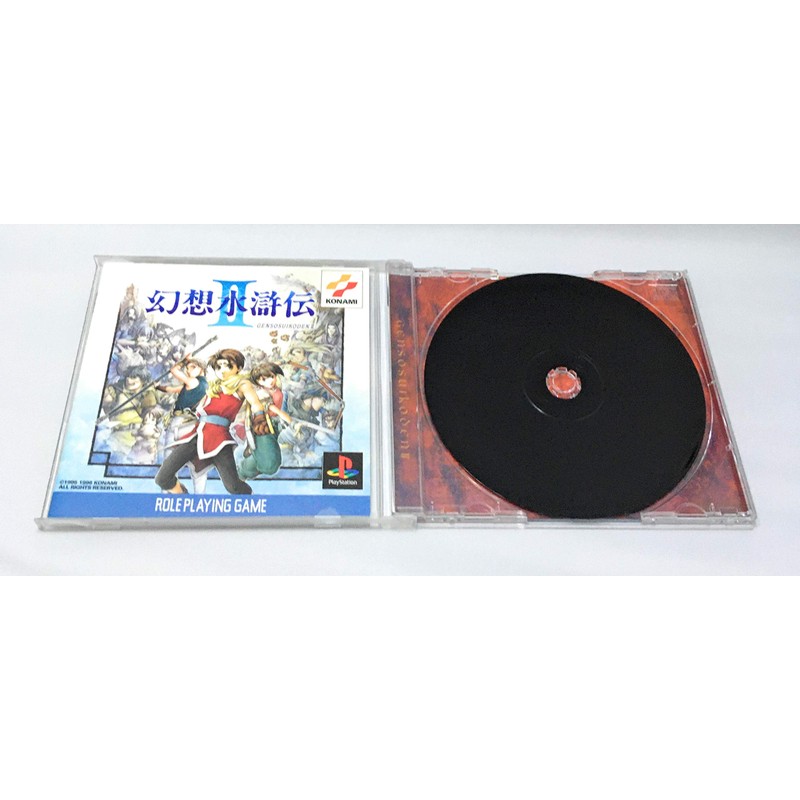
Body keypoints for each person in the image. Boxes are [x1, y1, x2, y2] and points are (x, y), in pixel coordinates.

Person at [154, 349, 268, 495]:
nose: (222, 370)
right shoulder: (213, 386)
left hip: (220, 440)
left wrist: (259, 417)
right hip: (198, 436)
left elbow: (255, 403)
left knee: (233, 487)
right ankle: (182, 497)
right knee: (163, 478)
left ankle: (250, 498)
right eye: (219, 366)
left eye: (227, 365)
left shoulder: (242, 384)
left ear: (238, 368)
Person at [238, 363, 293, 479]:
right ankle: (241, 471)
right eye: (264, 379)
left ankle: (244, 470)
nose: (270, 381)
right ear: (258, 381)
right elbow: (269, 406)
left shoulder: (277, 389)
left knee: (270, 463)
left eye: (271, 377)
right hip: (264, 425)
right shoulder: (261, 393)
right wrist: (281, 414)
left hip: (275, 424)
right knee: (270, 465)